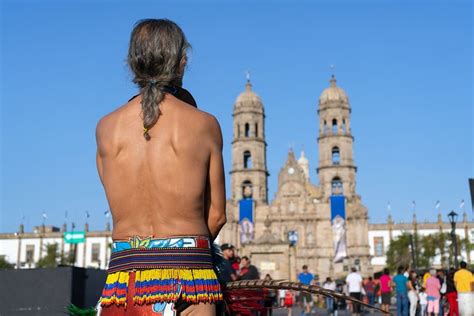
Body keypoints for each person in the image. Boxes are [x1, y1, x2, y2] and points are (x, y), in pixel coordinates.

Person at [95, 18, 227, 316]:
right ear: (182, 62)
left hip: (123, 283)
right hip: (190, 281)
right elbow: (217, 215)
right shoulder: (204, 124)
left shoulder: (105, 128)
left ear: (132, 63)